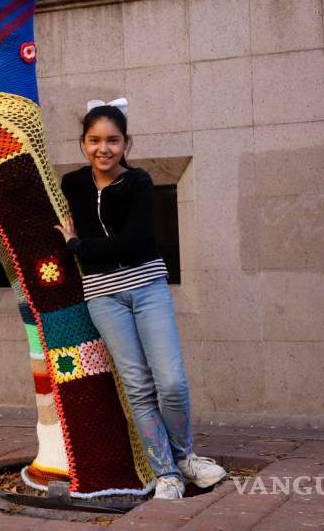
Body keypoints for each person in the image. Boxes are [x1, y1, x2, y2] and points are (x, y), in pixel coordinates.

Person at [55, 101, 227, 500]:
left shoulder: (138, 183)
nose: (104, 149)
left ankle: (186, 458)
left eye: (113, 140)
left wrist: (79, 246)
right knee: (138, 386)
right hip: (102, 296)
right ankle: (166, 473)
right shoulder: (73, 184)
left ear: (126, 143)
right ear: (83, 144)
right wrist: (83, 248)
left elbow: (135, 241)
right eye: (95, 140)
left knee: (171, 382)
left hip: (147, 287)